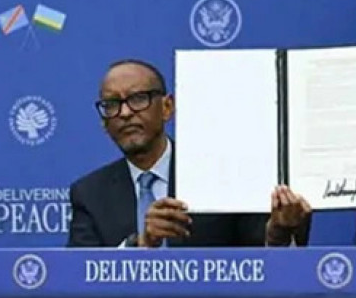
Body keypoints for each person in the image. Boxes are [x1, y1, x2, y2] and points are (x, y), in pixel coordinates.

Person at [68, 58, 312, 248]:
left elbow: (263, 260)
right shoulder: (89, 194)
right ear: (103, 122)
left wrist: (279, 232)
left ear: (167, 107)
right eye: (112, 105)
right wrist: (141, 245)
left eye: (138, 99)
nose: (124, 113)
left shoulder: (221, 173)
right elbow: (77, 279)